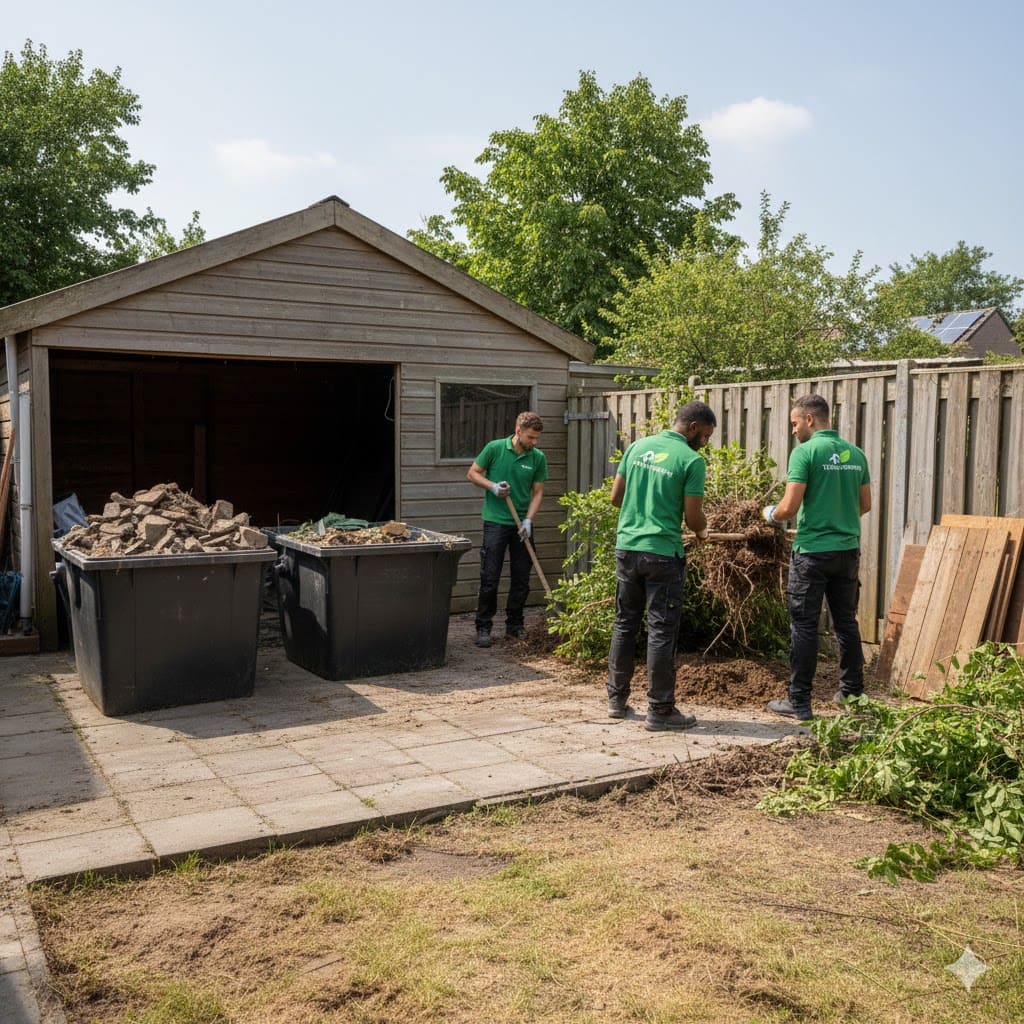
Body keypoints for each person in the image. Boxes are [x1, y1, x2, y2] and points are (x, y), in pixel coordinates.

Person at [607, 400, 716, 731]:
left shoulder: (638, 448)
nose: (706, 443)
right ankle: (660, 709)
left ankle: (616, 700)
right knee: (660, 630)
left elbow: (615, 498)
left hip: (627, 549)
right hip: (663, 555)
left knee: (625, 622)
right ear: (693, 427)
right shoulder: (691, 461)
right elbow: (692, 515)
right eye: (706, 435)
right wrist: (701, 530)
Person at [762, 393, 871, 721]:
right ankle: (852, 694)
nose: (793, 430)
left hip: (812, 553)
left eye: (795, 423)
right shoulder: (857, 454)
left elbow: (788, 509)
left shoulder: (805, 453)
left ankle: (799, 702)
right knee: (846, 623)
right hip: (847, 551)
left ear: (810, 419)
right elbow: (865, 505)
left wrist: (769, 513)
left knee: (805, 626)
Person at [467, 411, 547, 648]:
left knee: (521, 578)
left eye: (537, 438)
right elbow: (472, 473)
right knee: (490, 578)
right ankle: (483, 626)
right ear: (518, 431)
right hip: (496, 522)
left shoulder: (537, 457)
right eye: (531, 437)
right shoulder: (494, 449)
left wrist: (529, 521)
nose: (534, 442)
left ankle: (515, 625)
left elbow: (538, 492)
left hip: (522, 525)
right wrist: (492, 487)